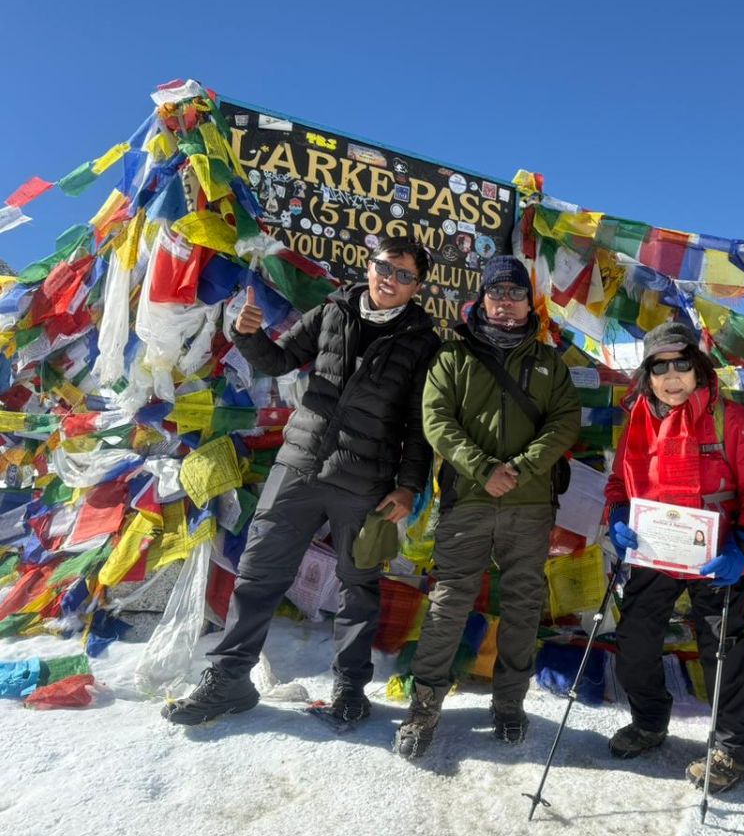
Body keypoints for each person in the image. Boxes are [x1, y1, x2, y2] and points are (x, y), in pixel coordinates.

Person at [163, 237, 441, 725]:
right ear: (370, 265)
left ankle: (351, 688)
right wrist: (247, 335)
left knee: (359, 586)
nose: (389, 281)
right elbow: (280, 360)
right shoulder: (333, 310)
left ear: (418, 286)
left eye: (403, 276)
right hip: (300, 463)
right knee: (259, 570)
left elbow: (420, 424)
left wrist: (409, 485)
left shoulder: (425, 342)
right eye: (384, 268)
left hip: (367, 480)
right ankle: (229, 678)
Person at [394, 256, 581, 757]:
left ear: (528, 303)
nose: (505, 304)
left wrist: (519, 467)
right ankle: (423, 707)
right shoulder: (452, 358)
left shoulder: (549, 364)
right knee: (450, 600)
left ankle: (509, 705)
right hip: (468, 501)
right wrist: (484, 469)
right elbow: (436, 420)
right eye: (496, 295)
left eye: (515, 295)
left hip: (531, 504)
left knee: (522, 605)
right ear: (481, 300)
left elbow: (564, 422)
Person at [604, 322, 744, 794]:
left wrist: (742, 545)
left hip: (715, 554)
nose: (672, 375)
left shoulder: (731, 419)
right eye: (660, 367)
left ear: (698, 367)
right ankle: (649, 720)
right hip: (654, 552)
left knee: (722, 650)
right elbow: (620, 483)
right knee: (635, 641)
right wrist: (618, 514)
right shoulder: (637, 417)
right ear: (647, 375)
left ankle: (735, 749)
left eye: (682, 363)